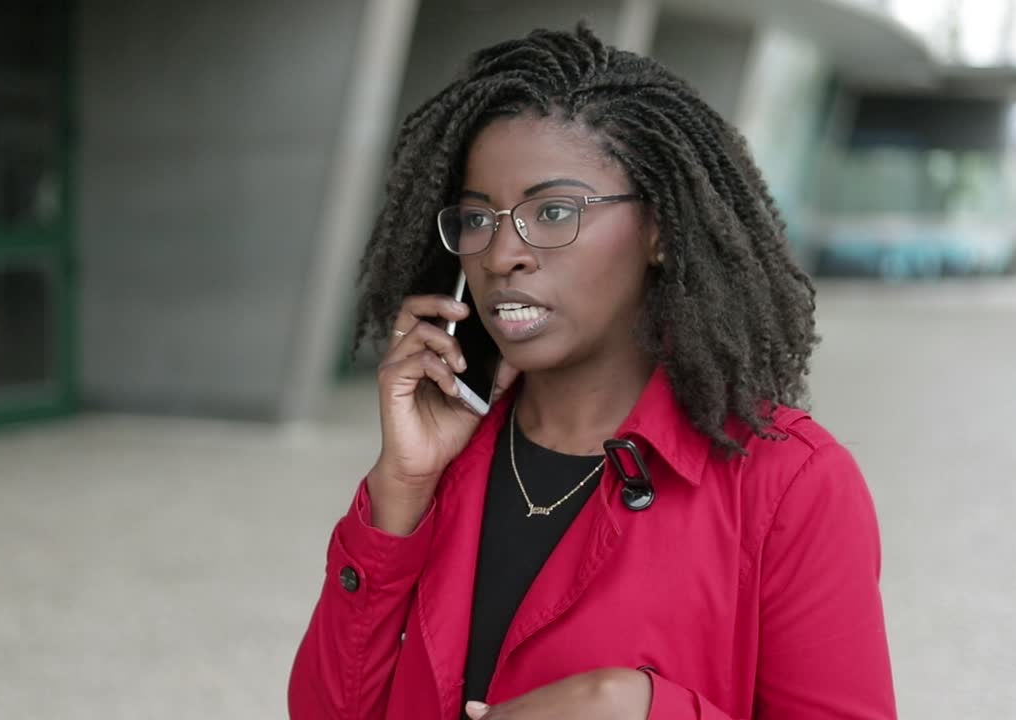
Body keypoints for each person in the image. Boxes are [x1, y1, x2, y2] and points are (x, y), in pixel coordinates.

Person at [288, 24, 896, 720]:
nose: (501, 255)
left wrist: (636, 708)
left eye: (553, 212)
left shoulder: (789, 486)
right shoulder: (442, 467)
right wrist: (400, 490)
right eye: (479, 219)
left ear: (662, 230)